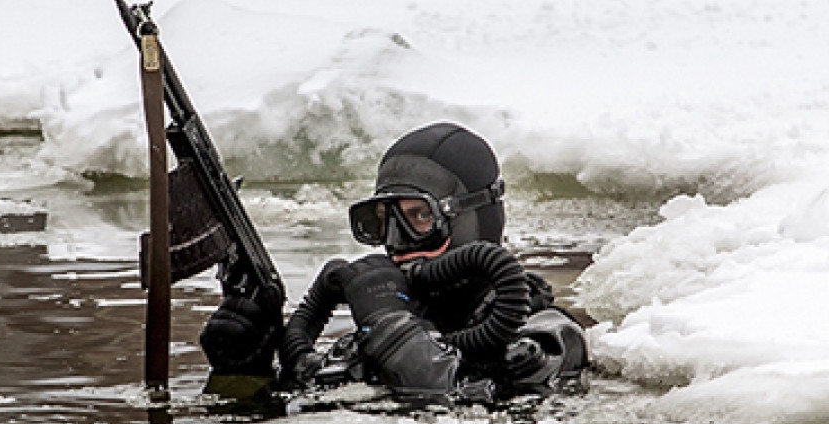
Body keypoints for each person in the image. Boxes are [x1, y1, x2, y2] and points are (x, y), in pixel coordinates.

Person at [199, 122, 588, 402]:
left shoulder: (548, 336)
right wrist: (245, 374)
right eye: (383, 223)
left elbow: (455, 409)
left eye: (420, 217)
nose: (397, 244)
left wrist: (390, 327)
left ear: (471, 220)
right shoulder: (377, 336)